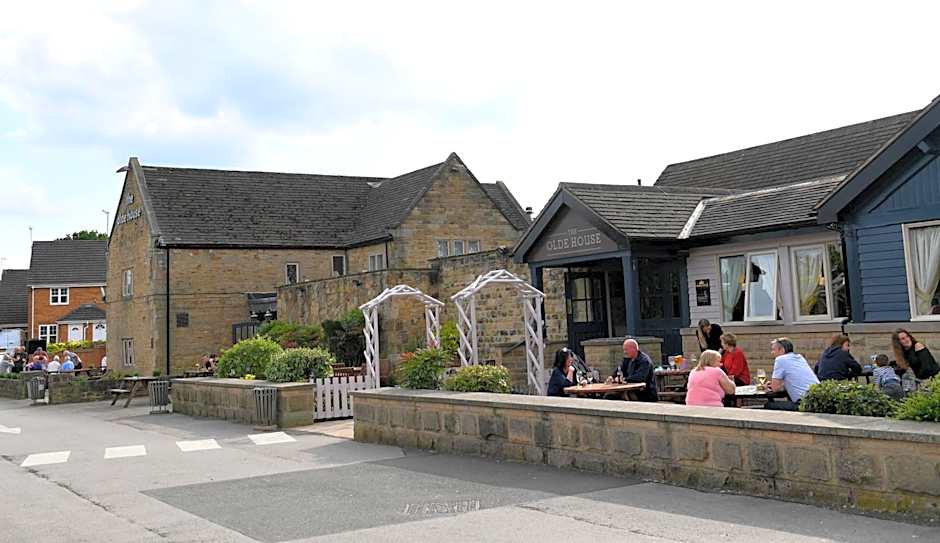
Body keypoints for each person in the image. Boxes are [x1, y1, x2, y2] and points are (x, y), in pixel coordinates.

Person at [765, 337, 819, 411]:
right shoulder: (800, 358)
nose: (772, 352)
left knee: (768, 405)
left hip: (805, 403)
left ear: (782, 350)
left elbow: (775, 388)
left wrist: (768, 387)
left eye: (774, 349)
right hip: (818, 400)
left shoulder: (780, 359)